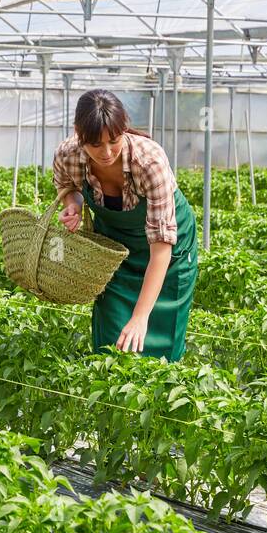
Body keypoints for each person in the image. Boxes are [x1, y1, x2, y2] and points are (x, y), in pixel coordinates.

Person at [52, 89, 199, 361]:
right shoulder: (68, 155)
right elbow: (67, 187)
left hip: (168, 254)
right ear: (78, 133)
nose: (106, 152)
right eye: (95, 144)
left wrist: (141, 317)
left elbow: (161, 250)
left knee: (162, 347)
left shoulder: (149, 162)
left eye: (114, 140)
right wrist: (73, 205)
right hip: (116, 249)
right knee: (112, 338)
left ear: (124, 128)